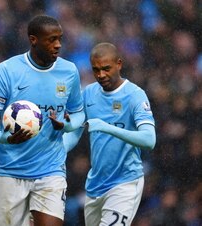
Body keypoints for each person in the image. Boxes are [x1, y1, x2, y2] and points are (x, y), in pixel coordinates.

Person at [0, 15, 85, 226]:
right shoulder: (8, 70)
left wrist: (67, 131)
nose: (58, 45)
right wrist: (4, 138)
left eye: (60, 39)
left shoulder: (69, 71)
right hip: (10, 171)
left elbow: (79, 114)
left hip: (51, 171)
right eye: (51, 40)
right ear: (33, 40)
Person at [63, 42, 156, 226]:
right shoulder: (88, 93)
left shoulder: (135, 95)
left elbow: (149, 139)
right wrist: (56, 150)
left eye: (106, 68)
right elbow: (74, 133)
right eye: (96, 70)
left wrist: (107, 127)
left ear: (119, 64)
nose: (101, 75)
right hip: (95, 185)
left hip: (125, 182)